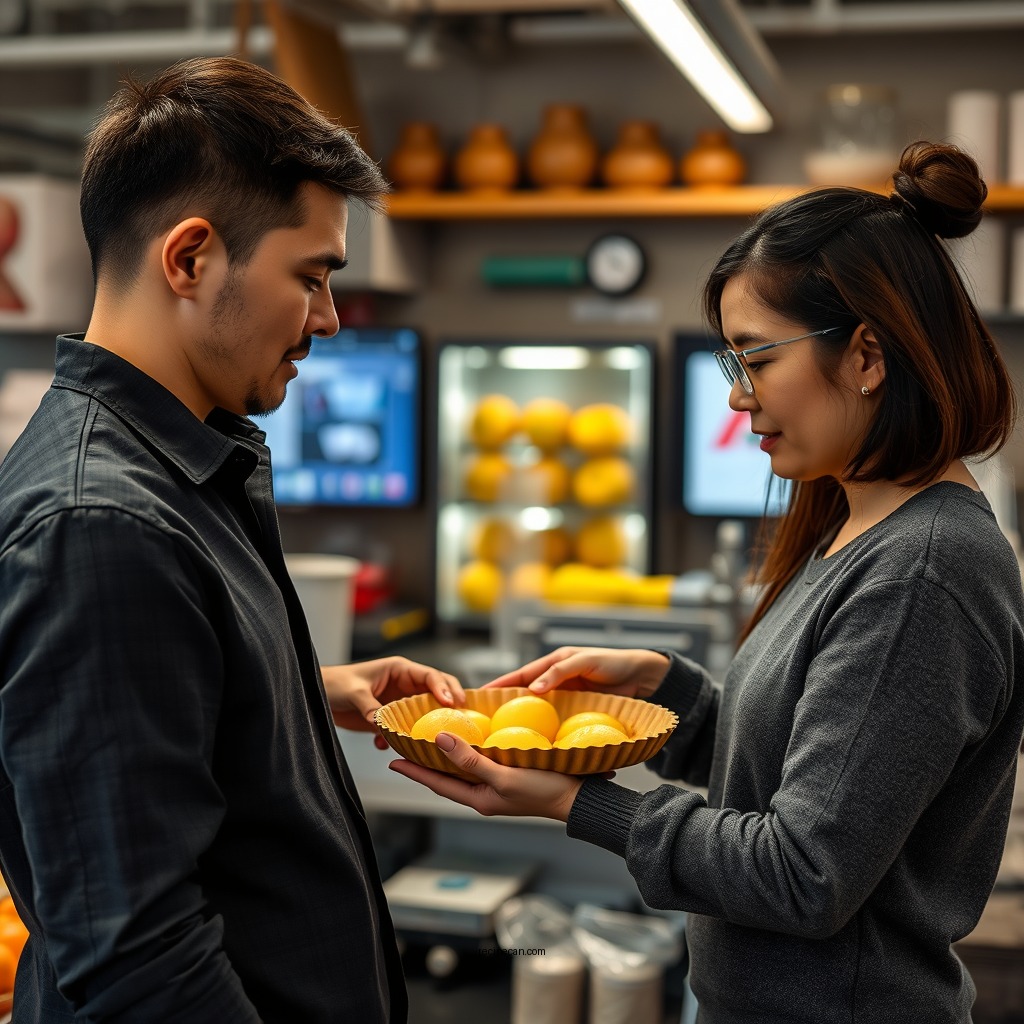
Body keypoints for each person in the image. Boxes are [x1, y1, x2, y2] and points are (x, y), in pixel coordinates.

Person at [392, 141, 1024, 1023]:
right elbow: (807, 773)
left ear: (869, 357)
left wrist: (579, 804)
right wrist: (665, 690)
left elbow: (803, 874)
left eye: (755, 360)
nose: (736, 397)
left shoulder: (923, 570)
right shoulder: (857, 527)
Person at [0, 56, 466, 1023]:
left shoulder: (177, 465)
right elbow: (140, 962)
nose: (329, 322)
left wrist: (293, 692)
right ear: (190, 258)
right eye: (313, 277)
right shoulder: (100, 525)